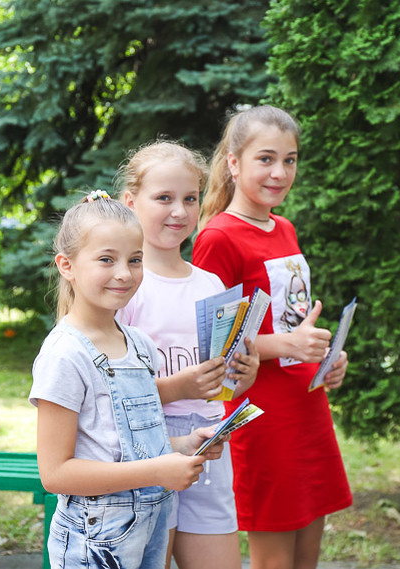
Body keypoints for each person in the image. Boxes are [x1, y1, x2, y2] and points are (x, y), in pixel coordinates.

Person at [192, 105, 352, 569]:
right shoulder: (218, 237)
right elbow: (213, 344)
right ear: (234, 162)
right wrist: (287, 346)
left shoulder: (284, 227)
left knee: (308, 557)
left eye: (290, 159)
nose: (280, 173)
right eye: (265, 159)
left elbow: (288, 321)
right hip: (260, 413)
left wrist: (323, 356)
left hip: (306, 404)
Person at [30, 191, 227, 569]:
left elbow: (122, 446)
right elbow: (55, 473)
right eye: (107, 259)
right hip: (96, 542)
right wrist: (158, 471)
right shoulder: (64, 355)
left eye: (135, 260)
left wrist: (184, 446)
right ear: (66, 265)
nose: (124, 273)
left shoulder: (139, 345)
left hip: (152, 529)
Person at [115, 141, 260, 569]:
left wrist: (242, 374)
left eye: (190, 199)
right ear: (131, 202)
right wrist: (179, 387)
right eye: (164, 198)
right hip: (149, 447)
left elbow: (222, 381)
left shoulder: (211, 284)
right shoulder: (125, 285)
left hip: (210, 446)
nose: (179, 211)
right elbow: (110, 392)